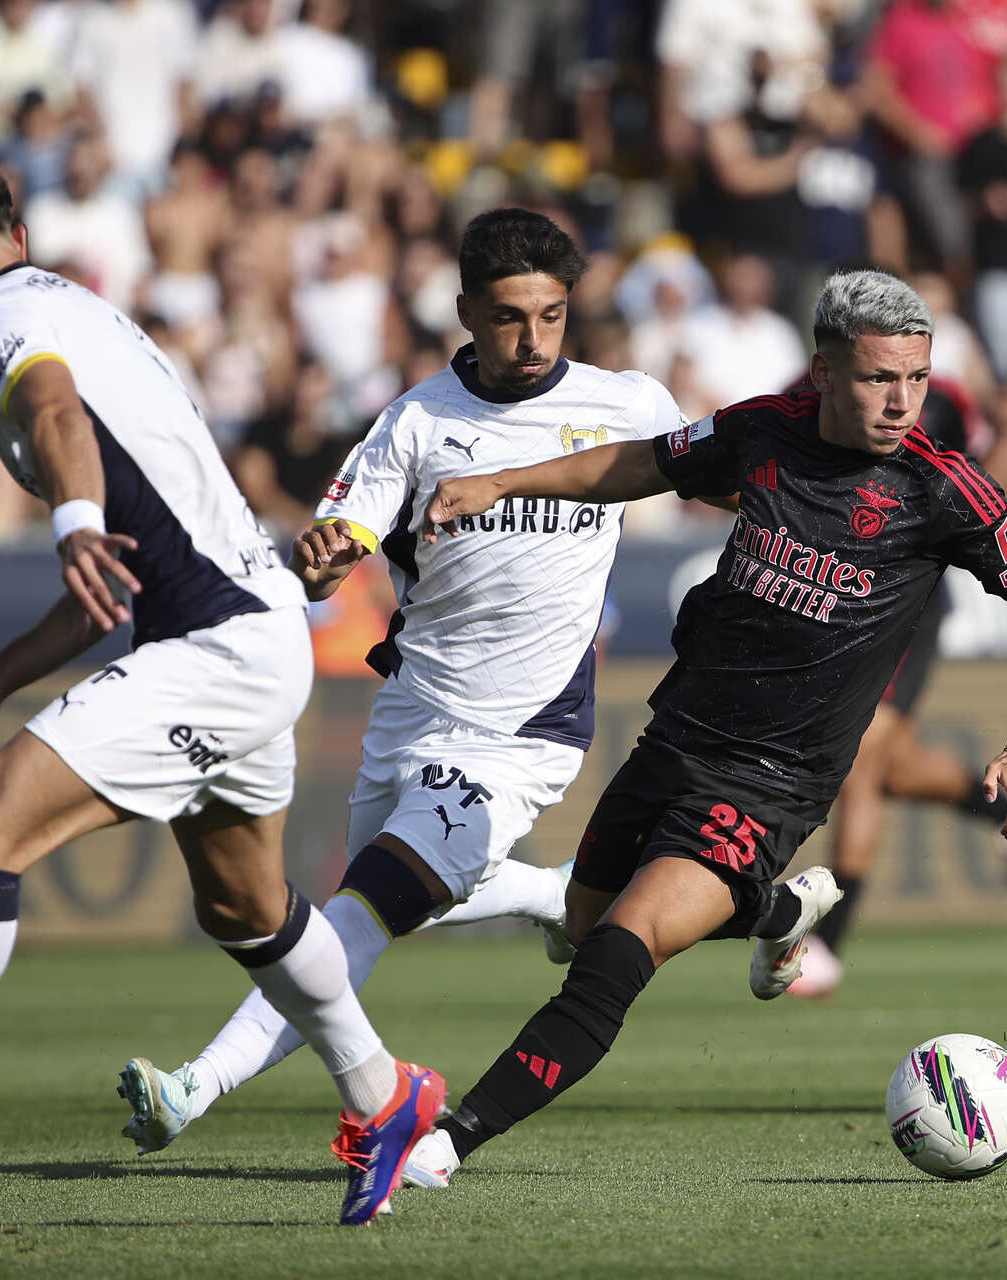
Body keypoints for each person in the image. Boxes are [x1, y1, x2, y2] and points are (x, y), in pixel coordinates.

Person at [0, 152, 437, 1227]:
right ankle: (386, 1094)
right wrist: (3, 677)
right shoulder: (75, 303)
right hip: (252, 630)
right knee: (246, 906)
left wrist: (66, 522)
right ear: (16, 234)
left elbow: (57, 413)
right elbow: (109, 574)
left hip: (218, 645)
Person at [404, 269, 1007, 1184]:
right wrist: (502, 482)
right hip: (677, 737)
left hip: (773, 784)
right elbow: (639, 463)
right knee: (578, 920)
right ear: (826, 372)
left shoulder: (941, 488)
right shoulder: (763, 433)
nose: (902, 401)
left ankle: (442, 1146)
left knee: (611, 958)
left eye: (917, 379)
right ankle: (780, 907)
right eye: (881, 378)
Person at [114, 208, 685, 1171]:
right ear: (465, 311)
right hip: (415, 714)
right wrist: (327, 557)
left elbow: (725, 473)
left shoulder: (628, 405)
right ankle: (555, 896)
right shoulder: (417, 422)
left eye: (552, 316)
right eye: (509, 317)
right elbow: (337, 553)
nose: (534, 339)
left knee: (356, 918)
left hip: (523, 735)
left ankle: (195, 1086)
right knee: (369, 909)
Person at [791, 376, 1007, 1000]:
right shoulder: (808, 386)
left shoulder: (950, 397)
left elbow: (984, 469)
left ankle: (829, 941)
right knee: (891, 769)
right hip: (836, 592)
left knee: (861, 764)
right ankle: (999, 809)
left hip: (909, 595)